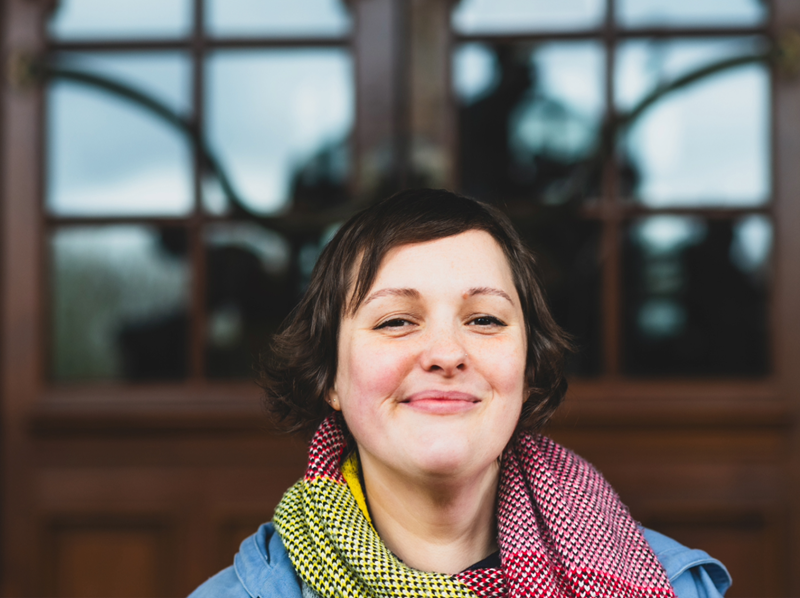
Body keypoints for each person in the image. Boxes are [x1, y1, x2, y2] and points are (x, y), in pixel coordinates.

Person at [189, 189, 731, 598]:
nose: (447, 353)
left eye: (485, 319)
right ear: (329, 375)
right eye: (396, 321)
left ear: (527, 366)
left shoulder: (676, 586)